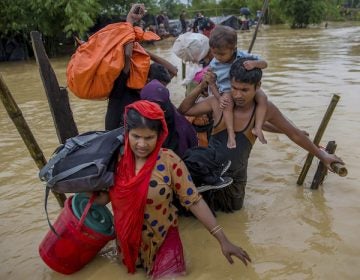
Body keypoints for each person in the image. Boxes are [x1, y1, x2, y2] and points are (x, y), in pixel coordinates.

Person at [92, 100, 251, 279]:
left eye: (149, 138)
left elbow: (194, 201)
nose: (142, 144)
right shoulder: (115, 160)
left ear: (159, 135)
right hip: (128, 242)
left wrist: (223, 240)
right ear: (127, 133)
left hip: (162, 241)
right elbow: (108, 197)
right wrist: (86, 202)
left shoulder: (170, 161)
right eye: (136, 137)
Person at [178, 58, 343, 212]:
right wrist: (202, 86)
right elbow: (184, 111)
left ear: (258, 86)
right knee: (199, 215)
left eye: (245, 90)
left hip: (236, 182)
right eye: (234, 88)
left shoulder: (264, 109)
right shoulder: (219, 102)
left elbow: (295, 135)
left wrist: (322, 155)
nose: (237, 95)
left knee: (234, 219)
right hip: (208, 178)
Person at [105, 5, 178, 130]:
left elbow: (174, 71)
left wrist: (147, 53)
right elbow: (128, 55)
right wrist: (130, 18)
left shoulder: (148, 93)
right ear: (147, 80)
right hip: (114, 139)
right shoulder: (121, 88)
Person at [208, 25, 268, 149]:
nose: (218, 57)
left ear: (233, 49)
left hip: (245, 88)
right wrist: (219, 98)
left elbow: (264, 64)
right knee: (227, 103)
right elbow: (212, 84)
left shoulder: (244, 56)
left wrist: (254, 64)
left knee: (262, 97)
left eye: (222, 54)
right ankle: (231, 134)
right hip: (227, 91)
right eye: (214, 53)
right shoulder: (213, 64)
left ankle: (258, 128)